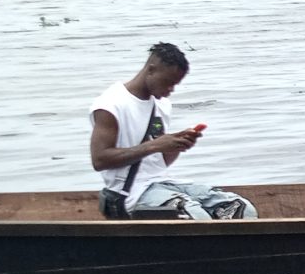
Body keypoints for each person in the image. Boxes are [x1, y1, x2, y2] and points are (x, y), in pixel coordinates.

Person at [88, 42, 257, 219]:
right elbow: (100, 160)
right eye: (168, 83)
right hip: (130, 193)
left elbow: (157, 163)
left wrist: (176, 145)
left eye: (175, 85)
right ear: (151, 70)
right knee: (196, 216)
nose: (171, 90)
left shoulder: (162, 105)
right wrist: (154, 145)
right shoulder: (110, 105)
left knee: (241, 209)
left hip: (164, 183)